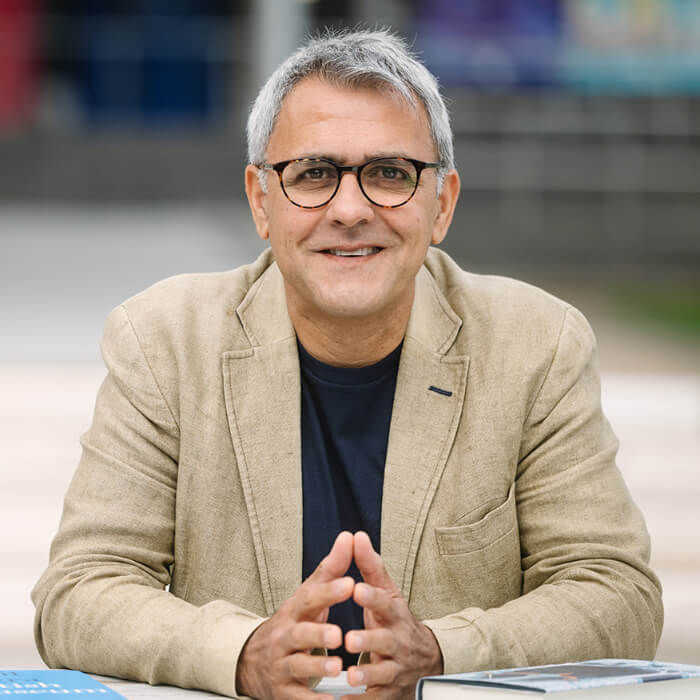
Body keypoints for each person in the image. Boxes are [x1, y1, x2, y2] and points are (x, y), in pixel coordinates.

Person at [32, 29, 663, 700]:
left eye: (390, 173)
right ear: (259, 201)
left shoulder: (538, 345)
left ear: (442, 203)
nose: (351, 209)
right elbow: (80, 592)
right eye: (314, 174)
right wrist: (244, 654)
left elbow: (616, 593)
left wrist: (443, 652)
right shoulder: (164, 341)